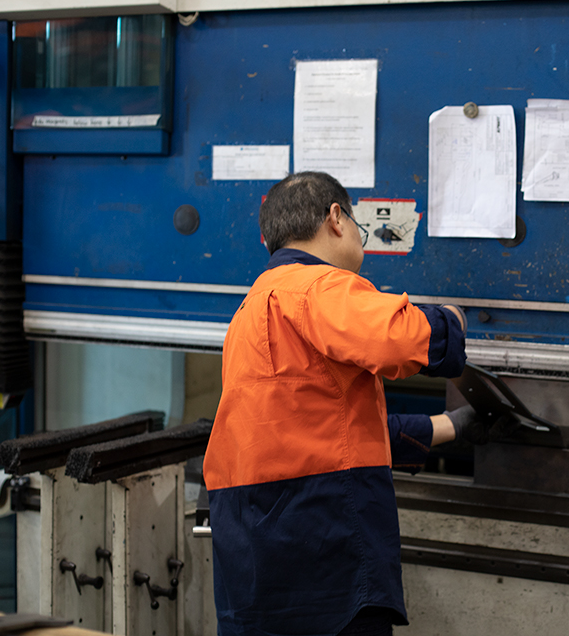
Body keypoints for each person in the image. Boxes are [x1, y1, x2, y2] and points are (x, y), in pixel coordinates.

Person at [203, 171, 476, 636]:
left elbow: (325, 431)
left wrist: (450, 426)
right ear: (336, 218)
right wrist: (452, 321)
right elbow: (401, 339)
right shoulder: (319, 286)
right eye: (357, 225)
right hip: (320, 540)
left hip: (254, 551)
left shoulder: (251, 310)